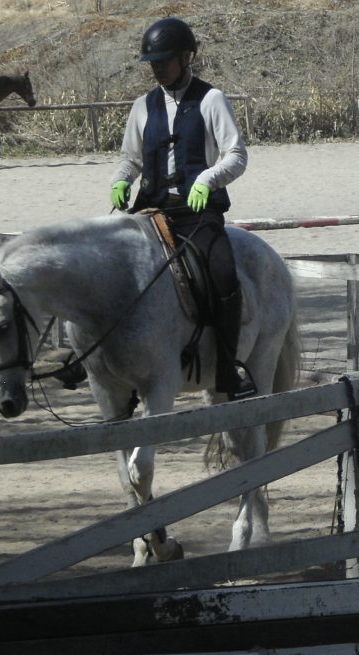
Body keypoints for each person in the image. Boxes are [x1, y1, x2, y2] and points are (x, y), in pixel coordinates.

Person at [108, 17, 256, 401]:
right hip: (150, 210)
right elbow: (131, 159)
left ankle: (227, 368)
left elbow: (236, 155)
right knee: (109, 266)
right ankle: (102, 360)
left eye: (164, 61)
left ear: (186, 57)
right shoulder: (142, 106)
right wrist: (121, 179)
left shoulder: (211, 100)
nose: (156, 69)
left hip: (197, 212)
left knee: (222, 273)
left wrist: (208, 179)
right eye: (152, 63)